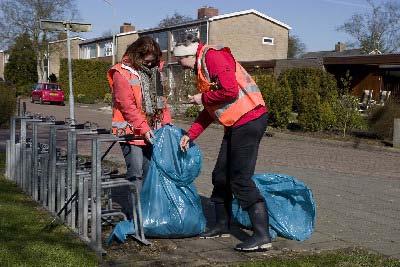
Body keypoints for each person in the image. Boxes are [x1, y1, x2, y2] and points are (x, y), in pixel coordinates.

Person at [173, 34, 271, 252]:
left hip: (250, 120)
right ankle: (222, 225)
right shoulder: (202, 66)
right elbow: (211, 110)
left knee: (240, 179)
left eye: (179, 60)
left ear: (188, 55)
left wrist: (202, 98)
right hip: (237, 123)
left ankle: (263, 235)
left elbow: (230, 91)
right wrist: (192, 134)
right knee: (220, 176)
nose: (179, 64)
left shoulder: (213, 57)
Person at [107, 36, 172, 219]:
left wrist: (167, 124)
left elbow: (162, 102)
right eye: (147, 59)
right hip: (131, 132)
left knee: (150, 172)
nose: (150, 63)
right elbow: (127, 106)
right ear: (137, 55)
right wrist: (144, 128)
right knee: (136, 174)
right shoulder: (122, 73)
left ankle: (148, 211)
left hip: (152, 131)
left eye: (153, 59)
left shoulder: (155, 72)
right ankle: (136, 215)